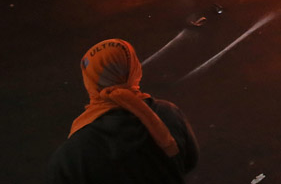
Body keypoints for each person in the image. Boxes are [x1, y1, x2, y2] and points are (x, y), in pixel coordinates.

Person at [48, 39, 198, 184]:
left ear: (89, 81)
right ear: (134, 69)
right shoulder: (169, 114)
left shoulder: (71, 155)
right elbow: (189, 160)